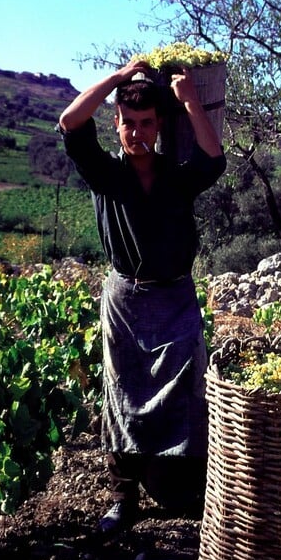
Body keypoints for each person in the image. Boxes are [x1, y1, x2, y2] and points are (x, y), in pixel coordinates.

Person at [58, 60, 226, 535]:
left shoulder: (176, 176)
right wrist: (116, 80)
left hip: (176, 299)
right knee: (121, 393)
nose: (136, 133)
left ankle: (190, 487)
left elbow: (214, 158)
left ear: (158, 125)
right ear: (117, 124)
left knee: (189, 387)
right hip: (126, 300)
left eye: (146, 123)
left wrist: (189, 99)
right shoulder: (105, 174)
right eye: (128, 124)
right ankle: (123, 497)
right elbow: (70, 122)